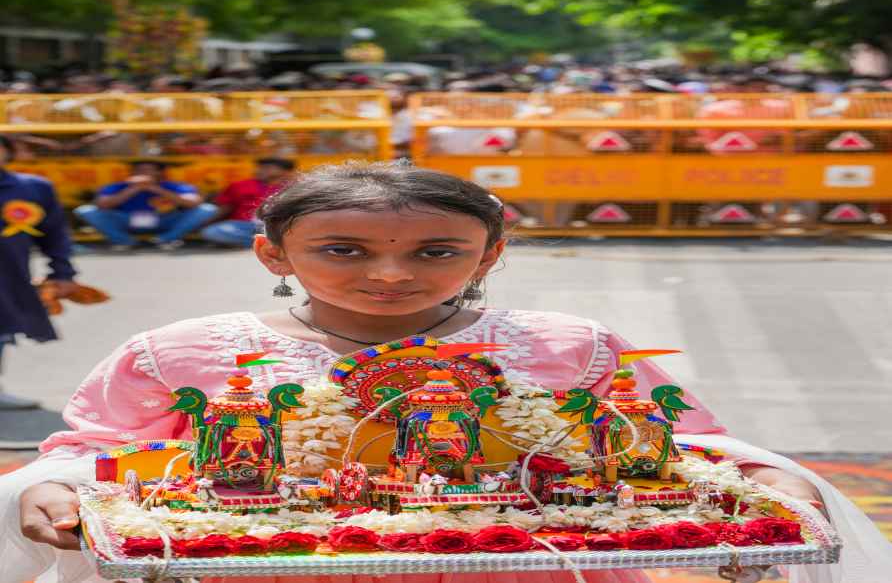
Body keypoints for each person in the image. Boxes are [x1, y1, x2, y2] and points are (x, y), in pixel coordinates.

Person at [3, 162, 890, 583]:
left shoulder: (571, 346)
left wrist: (768, 479)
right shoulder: (179, 353)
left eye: (438, 251)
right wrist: (54, 489)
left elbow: (682, 447)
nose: (391, 275)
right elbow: (95, 454)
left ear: (490, 255)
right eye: (342, 250)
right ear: (272, 250)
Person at [0, 135, 75, 445]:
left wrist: (62, 271)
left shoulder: (32, 188)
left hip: (8, 274)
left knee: (1, 329)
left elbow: (55, 234)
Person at [74, 160, 217, 250]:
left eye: (147, 170)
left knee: (207, 209)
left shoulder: (175, 186)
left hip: (164, 220)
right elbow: (102, 205)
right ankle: (124, 241)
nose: (141, 173)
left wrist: (155, 189)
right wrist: (133, 189)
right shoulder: (118, 186)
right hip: (127, 220)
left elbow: (194, 203)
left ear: (160, 173)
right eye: (138, 170)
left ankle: (166, 239)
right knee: (85, 210)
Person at [201, 157, 296, 247]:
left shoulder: (296, 187)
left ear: (285, 171)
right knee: (212, 232)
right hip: (243, 225)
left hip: (278, 226)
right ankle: (268, 243)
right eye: (260, 168)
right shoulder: (240, 185)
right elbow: (225, 207)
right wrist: (205, 223)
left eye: (267, 168)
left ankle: (270, 242)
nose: (260, 170)